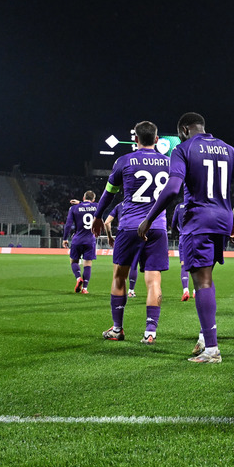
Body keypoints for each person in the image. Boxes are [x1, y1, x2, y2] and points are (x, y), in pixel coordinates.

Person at [137, 112, 234, 363]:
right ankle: (204, 335)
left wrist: (149, 217)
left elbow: (173, 187)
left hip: (198, 220)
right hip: (222, 221)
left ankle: (211, 349)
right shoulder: (230, 149)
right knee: (207, 279)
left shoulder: (183, 149)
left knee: (202, 283)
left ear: (184, 129)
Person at [91, 121, 170, 345]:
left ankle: (117, 329)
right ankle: (150, 332)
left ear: (135, 139)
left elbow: (109, 194)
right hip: (157, 227)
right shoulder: (168, 162)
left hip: (129, 227)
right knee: (154, 281)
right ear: (156, 140)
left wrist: (98, 216)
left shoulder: (124, 161)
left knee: (119, 277)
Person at [62, 190, 98, 294]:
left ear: (83, 198)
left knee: (73, 261)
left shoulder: (73, 208)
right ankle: (85, 288)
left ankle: (78, 278)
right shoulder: (97, 206)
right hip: (90, 240)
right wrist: (82, 204)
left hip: (77, 239)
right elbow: (99, 205)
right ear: (93, 199)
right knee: (88, 264)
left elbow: (68, 225)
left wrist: (65, 238)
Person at [103, 202, 140, 298]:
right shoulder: (142, 204)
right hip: (138, 233)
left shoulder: (119, 206)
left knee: (118, 265)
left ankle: (117, 292)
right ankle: (131, 291)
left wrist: (109, 237)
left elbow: (107, 222)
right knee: (134, 264)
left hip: (123, 235)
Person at [170, 200, 192, 301]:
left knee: (184, 264)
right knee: (197, 264)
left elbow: (173, 225)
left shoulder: (179, 207)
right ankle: (196, 290)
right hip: (196, 236)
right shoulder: (198, 203)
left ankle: (185, 290)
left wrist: (180, 232)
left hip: (183, 237)